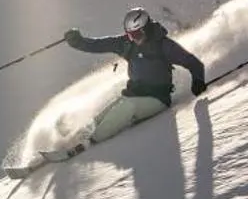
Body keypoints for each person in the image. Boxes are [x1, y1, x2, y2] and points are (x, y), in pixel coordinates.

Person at [63, 7, 207, 126]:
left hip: (158, 99)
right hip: (133, 95)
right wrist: (78, 41)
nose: (133, 39)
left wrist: (198, 80)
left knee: (127, 108)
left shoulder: (163, 45)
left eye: (137, 34)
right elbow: (99, 45)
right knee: (102, 116)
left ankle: (88, 142)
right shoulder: (127, 44)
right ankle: (78, 139)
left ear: (147, 29)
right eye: (130, 35)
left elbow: (193, 63)